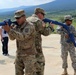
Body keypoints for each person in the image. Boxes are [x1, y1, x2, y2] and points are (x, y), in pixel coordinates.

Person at [3, 10, 37, 75]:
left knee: (29, 73)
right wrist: (9, 30)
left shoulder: (30, 26)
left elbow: (22, 37)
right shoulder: (16, 26)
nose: (17, 20)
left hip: (29, 55)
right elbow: (12, 38)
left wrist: (10, 30)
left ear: (24, 17)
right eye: (16, 18)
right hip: (19, 54)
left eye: (18, 18)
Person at [27, 7, 54, 75]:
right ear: (39, 14)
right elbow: (45, 32)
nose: (44, 16)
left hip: (26, 50)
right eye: (43, 15)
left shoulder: (27, 20)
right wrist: (51, 27)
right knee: (40, 67)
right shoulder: (38, 21)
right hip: (36, 50)